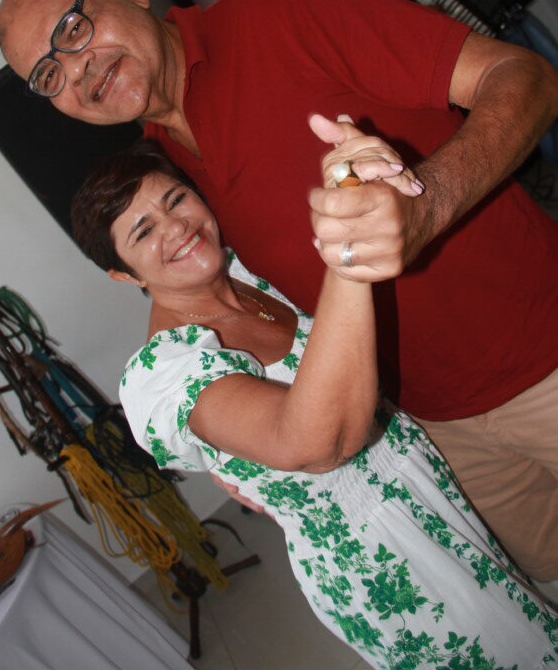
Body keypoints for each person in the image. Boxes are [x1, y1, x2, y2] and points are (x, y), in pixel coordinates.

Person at [0, 0, 558, 587]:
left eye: (73, 28)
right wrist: (233, 448)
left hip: (544, 352)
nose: (76, 68)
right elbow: (248, 306)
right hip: (430, 428)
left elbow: (525, 75)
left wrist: (431, 203)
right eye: (48, 74)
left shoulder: (275, 10)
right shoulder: (165, 164)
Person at [69, 132, 557, 669]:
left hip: (426, 485)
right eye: (143, 231)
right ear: (123, 273)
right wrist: (350, 247)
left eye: (176, 199)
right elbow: (312, 443)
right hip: (383, 561)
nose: (177, 227)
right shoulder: (166, 372)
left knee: (532, 630)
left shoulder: (247, 274)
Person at [360, 0, 558, 162]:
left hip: (513, 16)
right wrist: (429, 18)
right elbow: (412, 35)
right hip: (485, 44)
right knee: (532, 105)